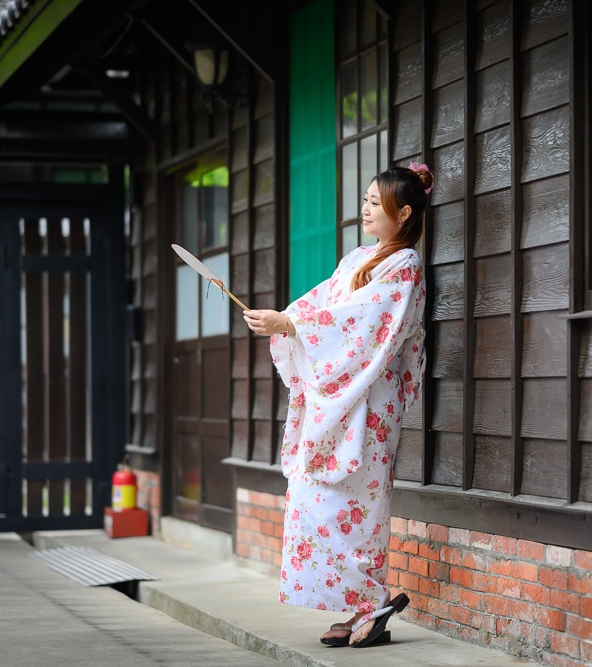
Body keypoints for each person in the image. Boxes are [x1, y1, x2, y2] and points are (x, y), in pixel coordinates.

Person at [242, 163, 433, 648]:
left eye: (375, 202)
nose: (365, 208)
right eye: (366, 199)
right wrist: (285, 318)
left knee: (359, 501)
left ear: (404, 211)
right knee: (317, 497)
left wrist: (291, 326)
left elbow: (364, 321)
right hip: (340, 396)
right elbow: (322, 305)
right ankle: (359, 604)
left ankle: (371, 602)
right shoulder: (357, 259)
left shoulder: (404, 264)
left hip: (370, 403)